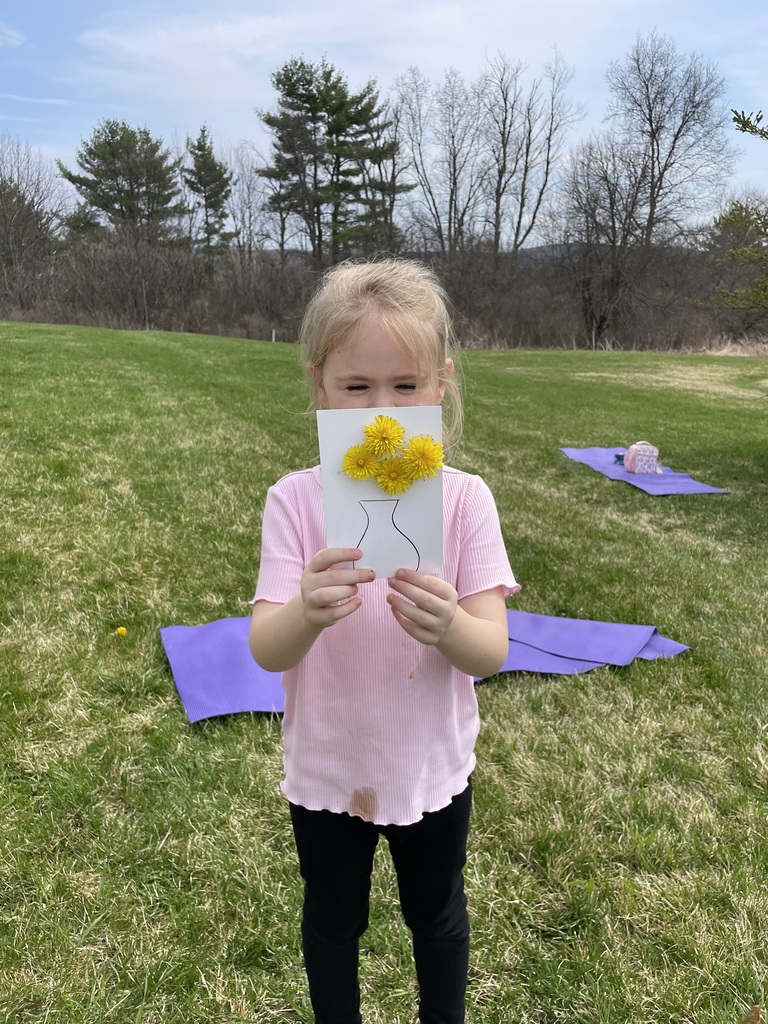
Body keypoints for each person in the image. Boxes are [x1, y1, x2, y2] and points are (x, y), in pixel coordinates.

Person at [249, 258, 519, 1024]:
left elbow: (491, 650)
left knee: (436, 917)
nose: (382, 410)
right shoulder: (295, 502)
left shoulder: (465, 502)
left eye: (405, 386)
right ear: (320, 386)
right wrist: (305, 609)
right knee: (333, 922)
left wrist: (452, 628)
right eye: (356, 387)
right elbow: (267, 648)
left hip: (431, 763)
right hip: (328, 767)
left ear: (440, 385)